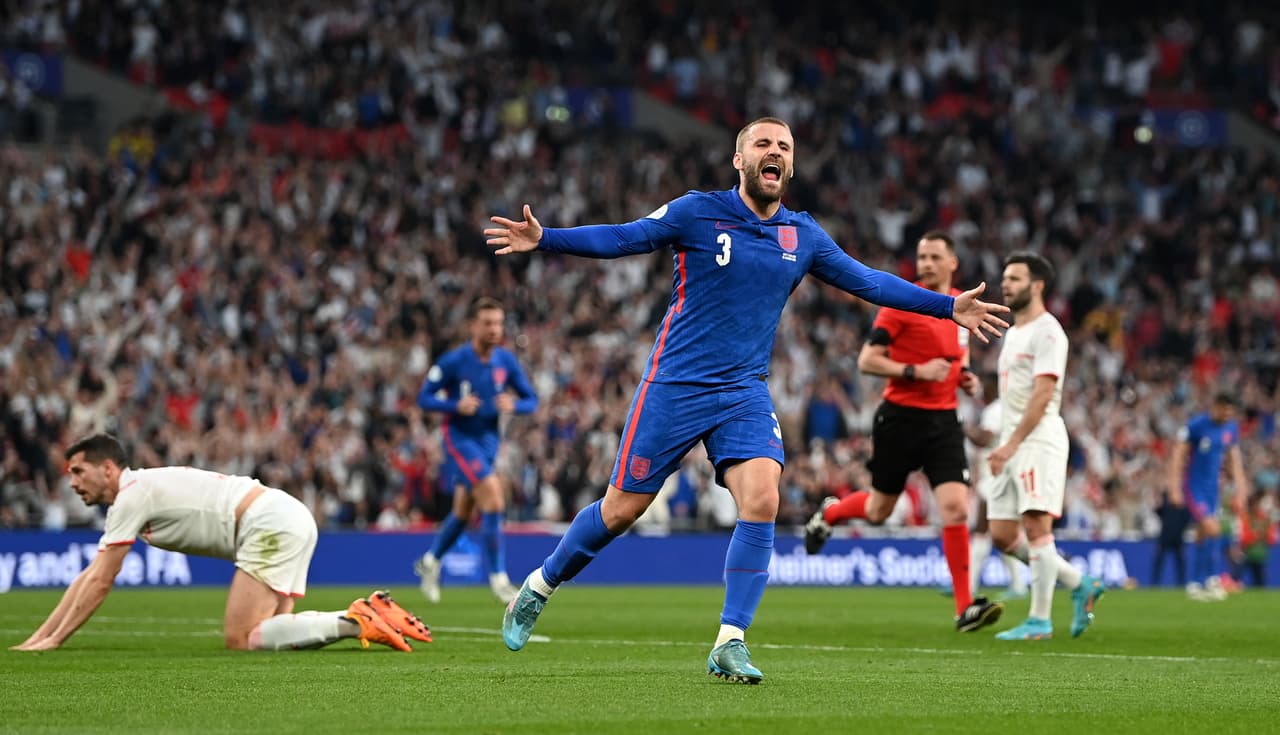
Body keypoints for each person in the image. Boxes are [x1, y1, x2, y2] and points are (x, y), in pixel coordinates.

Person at [483, 116, 1010, 683]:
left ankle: (730, 640)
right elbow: (623, 237)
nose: (774, 152)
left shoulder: (802, 235)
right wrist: (547, 239)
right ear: (740, 160)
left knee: (762, 499)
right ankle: (537, 587)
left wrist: (946, 306)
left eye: (784, 146)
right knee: (621, 510)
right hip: (674, 385)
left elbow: (870, 282)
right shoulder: (696, 211)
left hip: (742, 393)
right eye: (763, 143)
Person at [10, 434, 431, 652]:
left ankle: (358, 617)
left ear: (107, 468)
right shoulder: (138, 490)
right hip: (284, 515)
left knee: (241, 637)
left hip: (268, 524)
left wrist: (56, 641)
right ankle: (360, 617)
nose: (72, 482)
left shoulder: (130, 494)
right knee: (271, 638)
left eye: (78, 472)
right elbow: (89, 575)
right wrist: (41, 635)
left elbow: (102, 580)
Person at [801, 231, 1003, 632]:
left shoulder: (961, 307)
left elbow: (953, 358)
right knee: (879, 511)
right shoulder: (901, 303)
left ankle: (965, 608)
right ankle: (832, 512)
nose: (925, 263)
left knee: (956, 507)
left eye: (934, 256)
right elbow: (867, 360)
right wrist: (915, 371)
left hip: (943, 422)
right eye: (921, 256)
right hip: (899, 418)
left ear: (953, 262)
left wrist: (964, 378)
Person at [985, 252, 1106, 641]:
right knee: (1002, 534)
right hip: (1011, 443)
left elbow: (1043, 394)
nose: (1006, 284)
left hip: (1037, 440)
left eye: (1015, 279)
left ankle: (1040, 621)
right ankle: (1080, 583)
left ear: (1038, 286)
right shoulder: (1015, 332)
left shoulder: (1049, 331)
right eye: (1005, 278)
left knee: (1037, 527)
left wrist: (1012, 443)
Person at [415, 296, 539, 604]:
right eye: (488, 323)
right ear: (473, 325)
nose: (494, 329)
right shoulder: (454, 361)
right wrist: (454, 405)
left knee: (462, 513)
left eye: (498, 323)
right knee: (494, 500)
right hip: (459, 438)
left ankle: (430, 562)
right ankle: (498, 578)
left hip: (488, 443)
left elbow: (531, 399)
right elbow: (424, 398)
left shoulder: (505, 361)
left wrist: (515, 405)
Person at [1169, 392, 1249, 601]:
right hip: (1195, 487)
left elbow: (1234, 460)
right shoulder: (1197, 426)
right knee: (1213, 529)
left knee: (1202, 535)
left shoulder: (1231, 428)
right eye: (1224, 409)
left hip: (1214, 489)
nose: (1228, 414)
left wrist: (1241, 489)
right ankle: (1212, 578)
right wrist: (1174, 488)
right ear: (1215, 406)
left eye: (1231, 410)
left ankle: (1195, 584)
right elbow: (1179, 455)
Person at [964, 375, 1028, 601]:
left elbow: (983, 439)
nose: (981, 390)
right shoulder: (1004, 408)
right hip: (999, 476)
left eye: (984, 386)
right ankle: (1019, 584)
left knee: (983, 530)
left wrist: (962, 427)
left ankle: (968, 586)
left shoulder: (994, 410)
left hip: (996, 478)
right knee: (999, 533)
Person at [1152, 490, 1192, 587]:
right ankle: (1154, 584)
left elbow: (1188, 519)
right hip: (1165, 537)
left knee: (1181, 562)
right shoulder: (1166, 500)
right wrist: (1157, 501)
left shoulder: (1184, 504)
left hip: (1178, 537)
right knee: (1159, 561)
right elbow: (1157, 511)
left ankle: (1181, 584)